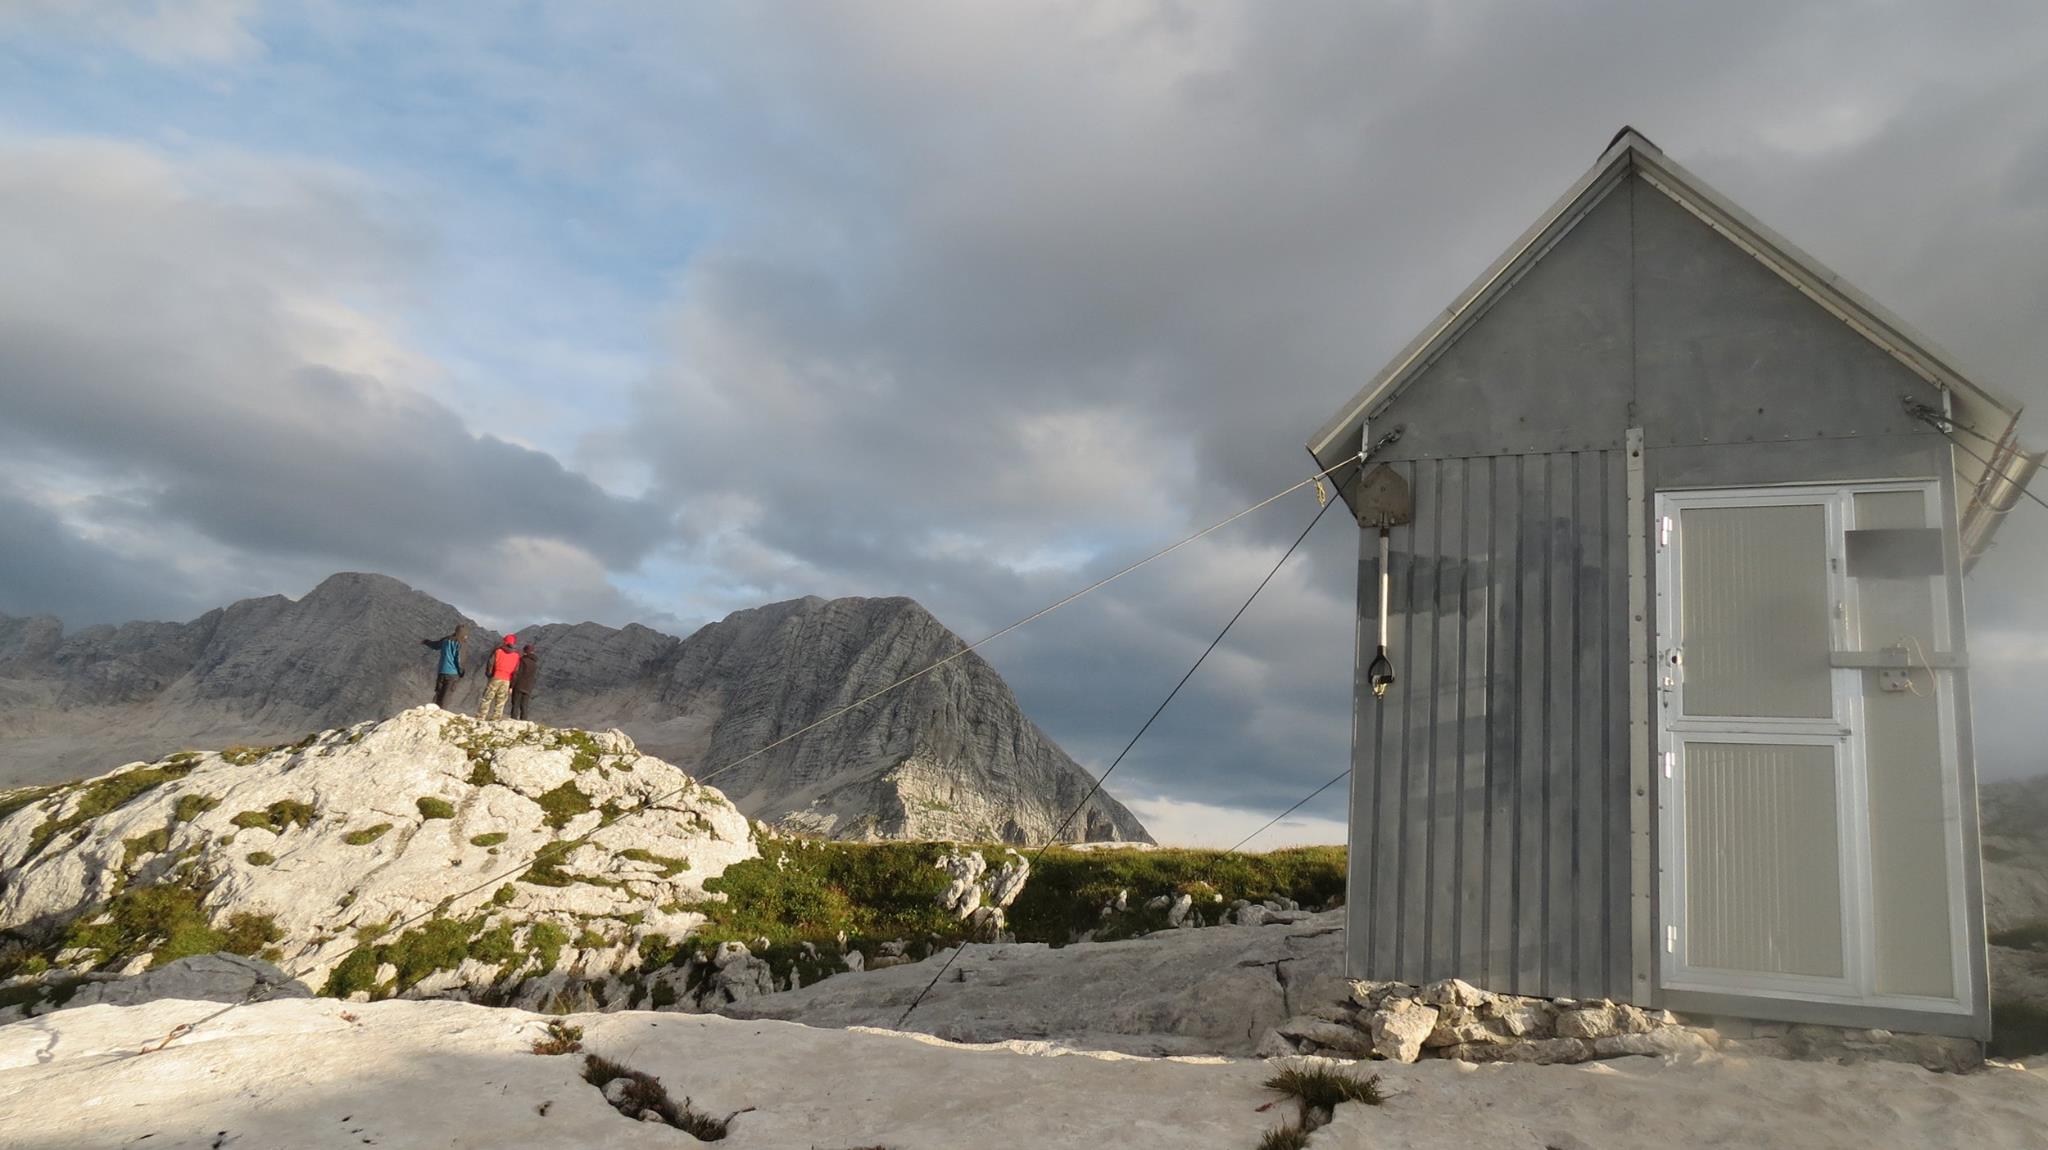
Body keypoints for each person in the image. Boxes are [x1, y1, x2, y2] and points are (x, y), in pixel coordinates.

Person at [421, 624, 468, 707]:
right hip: (452, 674)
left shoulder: (445, 640)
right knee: (446, 697)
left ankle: (433, 712)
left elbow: (435, 645)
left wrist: (426, 642)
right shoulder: (461, 643)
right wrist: (461, 672)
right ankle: (440, 714)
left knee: (438, 694)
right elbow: (459, 659)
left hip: (442, 671)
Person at [477, 634, 522, 721]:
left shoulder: (498, 651)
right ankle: (496, 719)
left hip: (496, 677)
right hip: (507, 680)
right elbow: (516, 672)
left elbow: (490, 663)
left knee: (487, 698)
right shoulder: (517, 656)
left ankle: (480, 717)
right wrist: (511, 685)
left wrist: (489, 675)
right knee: (500, 702)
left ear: (505, 642)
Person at [509, 642, 540, 722]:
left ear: (525, 651)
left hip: (519, 685)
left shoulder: (522, 661)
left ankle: (513, 720)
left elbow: (517, 674)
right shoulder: (535, 663)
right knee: (524, 705)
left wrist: (511, 686)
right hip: (528, 687)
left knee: (515, 704)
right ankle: (524, 721)